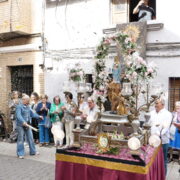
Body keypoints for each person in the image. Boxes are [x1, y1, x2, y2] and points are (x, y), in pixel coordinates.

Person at [149, 98, 172, 175]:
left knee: (163, 160)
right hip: (151, 140)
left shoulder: (168, 114)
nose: (155, 105)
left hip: (163, 141)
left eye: (157, 103)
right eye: (155, 103)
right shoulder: (151, 113)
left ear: (162, 104)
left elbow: (166, 127)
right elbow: (148, 124)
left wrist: (159, 134)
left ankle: (163, 176)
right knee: (152, 161)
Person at [16, 95, 43, 159]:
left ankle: (33, 151)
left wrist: (38, 116)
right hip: (20, 125)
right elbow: (18, 115)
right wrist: (23, 121)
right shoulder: (19, 107)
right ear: (23, 100)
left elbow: (32, 114)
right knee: (20, 139)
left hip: (28, 125)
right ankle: (20, 153)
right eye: (27, 101)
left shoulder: (28, 106)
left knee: (30, 138)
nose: (28, 102)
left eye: (28, 101)